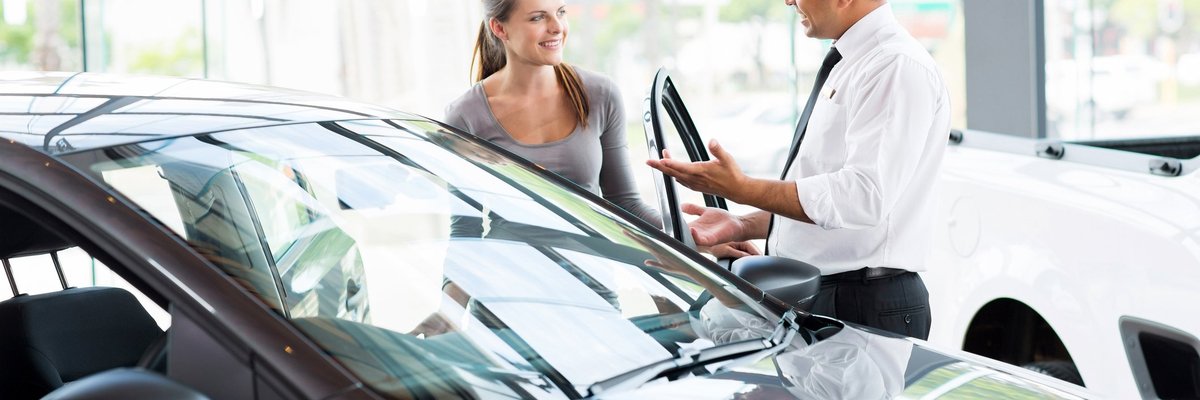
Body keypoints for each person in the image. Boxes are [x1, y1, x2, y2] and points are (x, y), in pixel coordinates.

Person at [646, 0, 950, 340]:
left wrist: (742, 188)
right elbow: (828, 201)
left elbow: (864, 197)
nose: (789, 1)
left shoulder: (894, 65)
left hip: (861, 300)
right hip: (827, 293)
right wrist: (743, 224)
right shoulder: (855, 61)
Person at [444, 0, 659, 227]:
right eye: (537, 17)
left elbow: (626, 205)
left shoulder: (601, 94)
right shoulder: (465, 117)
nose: (557, 27)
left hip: (592, 262)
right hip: (515, 261)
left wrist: (687, 232)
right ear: (499, 28)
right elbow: (465, 228)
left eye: (561, 12)